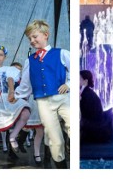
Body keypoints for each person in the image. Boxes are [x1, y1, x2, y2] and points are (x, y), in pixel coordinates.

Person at [14, 20, 70, 169]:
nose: (32, 41)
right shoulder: (29, 61)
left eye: (34, 37)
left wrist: (69, 84)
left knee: (74, 125)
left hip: (64, 98)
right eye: (30, 39)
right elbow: (25, 85)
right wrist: (15, 95)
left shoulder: (62, 53)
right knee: (55, 139)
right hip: (43, 102)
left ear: (45, 35)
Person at [79, 70, 105, 143]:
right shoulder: (86, 92)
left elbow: (86, 113)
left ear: (85, 81)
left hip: (91, 127)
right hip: (93, 124)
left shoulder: (86, 94)